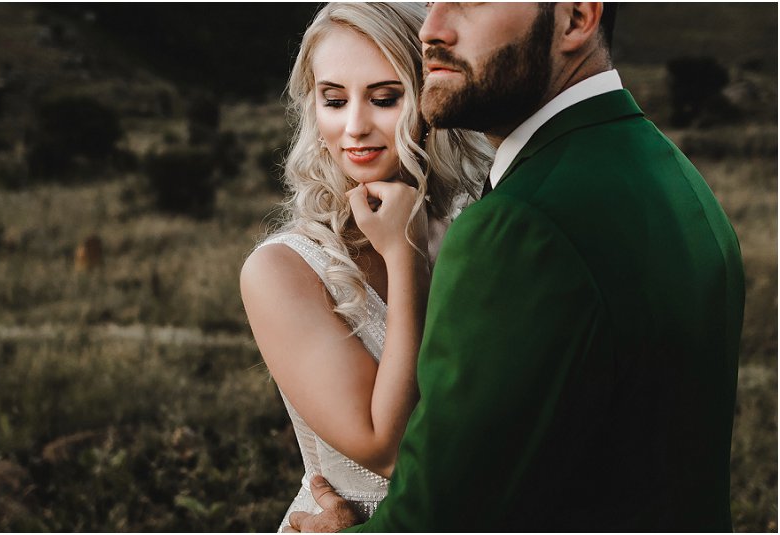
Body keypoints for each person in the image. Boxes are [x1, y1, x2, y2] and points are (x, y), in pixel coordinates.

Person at [287, 2, 746, 532]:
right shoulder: (672, 173)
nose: (432, 30)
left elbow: (443, 519)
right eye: (433, 0)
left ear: (577, 17)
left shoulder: (518, 226)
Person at [239, 3, 492, 532]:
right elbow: (392, 451)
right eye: (334, 100)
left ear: (430, 97)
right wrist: (404, 255)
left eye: (384, 98)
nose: (354, 127)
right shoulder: (282, 270)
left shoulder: (477, 230)